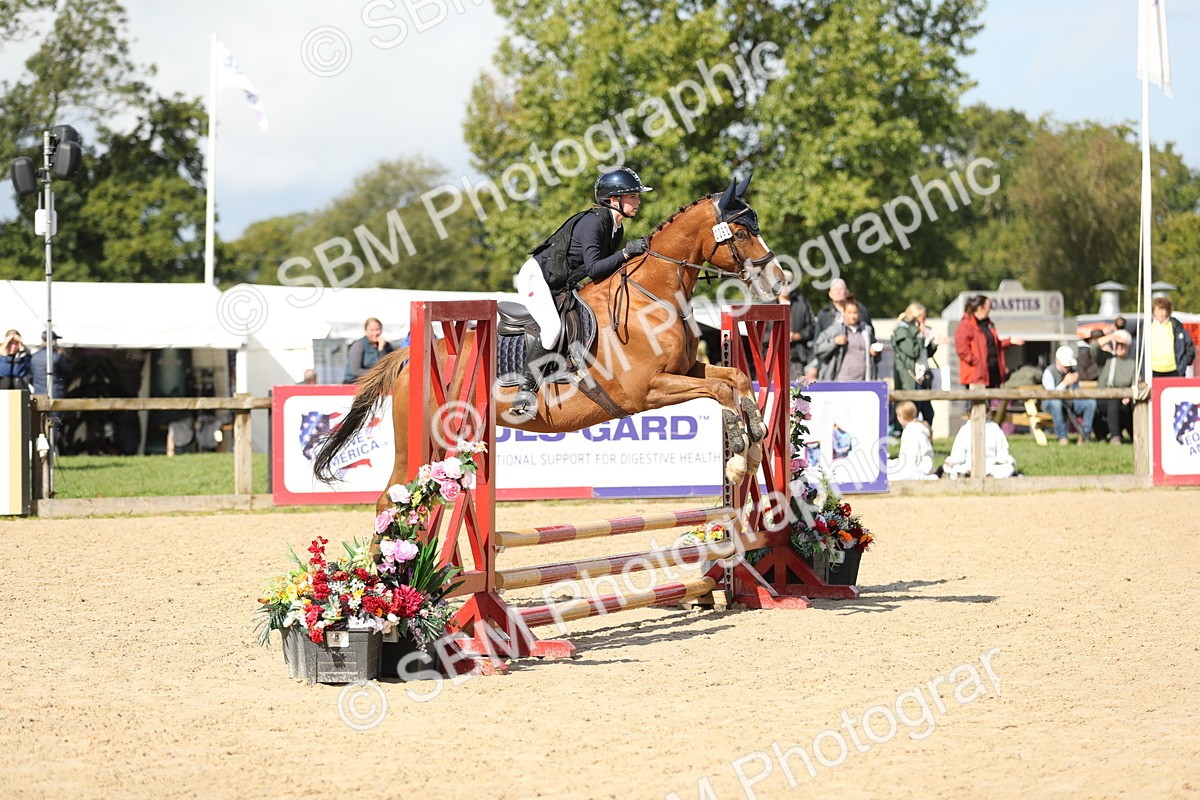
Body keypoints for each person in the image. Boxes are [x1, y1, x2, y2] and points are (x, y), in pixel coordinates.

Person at [510, 166, 653, 419]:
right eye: (632, 196)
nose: (638, 201)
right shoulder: (593, 222)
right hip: (536, 278)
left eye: (635, 196)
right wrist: (627, 253)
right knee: (552, 329)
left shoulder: (616, 229)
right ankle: (525, 391)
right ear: (613, 200)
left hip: (562, 283)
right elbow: (596, 269)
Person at [954, 295, 1023, 388]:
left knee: (994, 401)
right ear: (980, 308)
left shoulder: (988, 324)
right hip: (977, 377)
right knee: (978, 402)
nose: (990, 309)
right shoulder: (966, 325)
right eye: (988, 306)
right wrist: (978, 362)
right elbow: (962, 350)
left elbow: (993, 345)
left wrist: (1009, 341)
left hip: (992, 374)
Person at [891, 302, 941, 424]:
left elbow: (925, 353)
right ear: (915, 317)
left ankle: (926, 438)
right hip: (910, 378)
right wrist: (920, 336)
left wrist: (934, 344)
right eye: (923, 317)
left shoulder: (917, 331)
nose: (925, 321)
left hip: (922, 376)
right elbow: (913, 352)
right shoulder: (903, 331)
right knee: (912, 411)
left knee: (928, 413)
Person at [812, 296, 881, 381]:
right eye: (849, 313)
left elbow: (877, 357)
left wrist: (875, 353)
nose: (852, 316)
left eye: (855, 313)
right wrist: (834, 342)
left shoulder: (866, 331)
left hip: (864, 381)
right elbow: (817, 348)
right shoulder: (835, 330)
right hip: (842, 380)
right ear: (843, 313)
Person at [1042, 345, 1097, 445]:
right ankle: (1062, 437)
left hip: (1070, 402)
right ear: (1057, 360)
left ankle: (1084, 435)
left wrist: (1075, 384)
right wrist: (1065, 383)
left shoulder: (1073, 370)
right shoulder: (1049, 372)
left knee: (1090, 403)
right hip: (1050, 403)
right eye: (1065, 365)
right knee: (1056, 403)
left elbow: (1077, 391)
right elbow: (1051, 394)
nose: (1067, 368)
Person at [1093, 329, 1138, 444]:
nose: (1119, 347)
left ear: (1128, 346)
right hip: (1103, 399)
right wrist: (1112, 336)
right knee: (1114, 399)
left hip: (1123, 400)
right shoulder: (1107, 358)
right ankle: (1115, 436)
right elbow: (1093, 347)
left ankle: (1136, 436)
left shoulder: (1132, 364)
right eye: (1117, 344)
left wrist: (1128, 395)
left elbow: (1134, 383)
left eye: (1122, 344)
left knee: (1130, 404)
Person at [942, 418, 1016, 479]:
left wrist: (1008, 460)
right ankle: (965, 476)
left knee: (1009, 468)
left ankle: (989, 477)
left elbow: (1002, 454)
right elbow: (958, 455)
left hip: (989, 468)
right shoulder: (965, 429)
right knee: (948, 467)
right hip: (968, 468)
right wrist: (951, 461)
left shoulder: (994, 428)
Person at [777, 272, 816, 383]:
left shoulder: (802, 304)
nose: (785, 286)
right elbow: (761, 334)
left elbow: (812, 328)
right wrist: (779, 337)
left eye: (788, 283)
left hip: (797, 359)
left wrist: (798, 336)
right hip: (773, 360)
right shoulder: (768, 305)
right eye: (781, 283)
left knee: (796, 394)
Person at [888, 401, 936, 480]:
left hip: (920, 468)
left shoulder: (911, 431)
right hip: (917, 465)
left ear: (902, 416)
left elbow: (912, 458)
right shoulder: (916, 428)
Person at [1149, 296, 1196, 378]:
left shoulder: (1177, 326)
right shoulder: (1147, 326)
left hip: (1174, 370)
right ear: (1153, 311)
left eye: (1164, 310)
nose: (1162, 313)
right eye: (1159, 310)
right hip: (1153, 370)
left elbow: (1189, 346)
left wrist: (1184, 362)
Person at [343, 318, 395, 384]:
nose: (375, 333)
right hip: (353, 384)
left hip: (375, 383)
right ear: (366, 331)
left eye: (377, 329)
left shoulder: (387, 346)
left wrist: (381, 349)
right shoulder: (358, 345)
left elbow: (389, 366)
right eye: (372, 330)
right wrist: (378, 374)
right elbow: (356, 371)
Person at [30, 330, 69, 398]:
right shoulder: (57, 357)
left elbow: (29, 376)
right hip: (56, 393)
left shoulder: (33, 357)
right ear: (53, 341)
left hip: (38, 394)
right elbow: (68, 372)